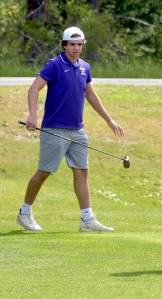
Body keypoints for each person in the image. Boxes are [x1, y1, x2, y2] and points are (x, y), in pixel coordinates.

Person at [17, 26, 124, 232]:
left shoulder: (85, 67)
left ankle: (87, 219)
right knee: (44, 172)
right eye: (72, 44)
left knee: (82, 172)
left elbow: (91, 96)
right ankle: (24, 212)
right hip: (55, 128)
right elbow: (34, 88)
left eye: (79, 44)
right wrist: (32, 114)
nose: (76, 48)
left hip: (78, 130)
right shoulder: (55, 65)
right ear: (64, 45)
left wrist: (109, 120)